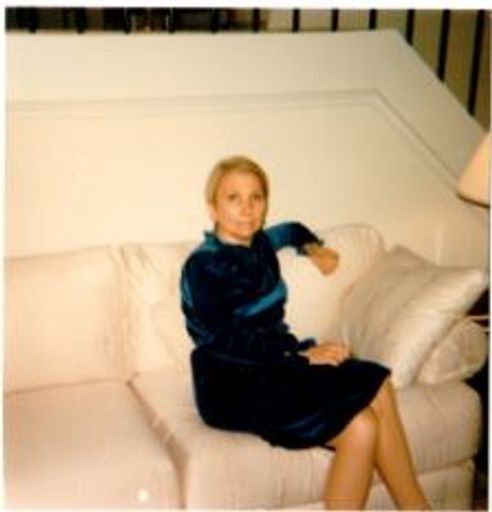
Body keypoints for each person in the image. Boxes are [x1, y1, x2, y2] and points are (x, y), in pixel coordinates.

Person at [180, 155, 430, 510]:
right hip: (230, 382)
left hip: (276, 365)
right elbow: (219, 340)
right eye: (233, 198)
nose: (247, 209)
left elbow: (291, 230)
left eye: (256, 197)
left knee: (371, 404)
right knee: (365, 412)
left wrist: (314, 248)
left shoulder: (260, 244)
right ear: (213, 208)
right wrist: (297, 355)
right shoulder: (203, 265)